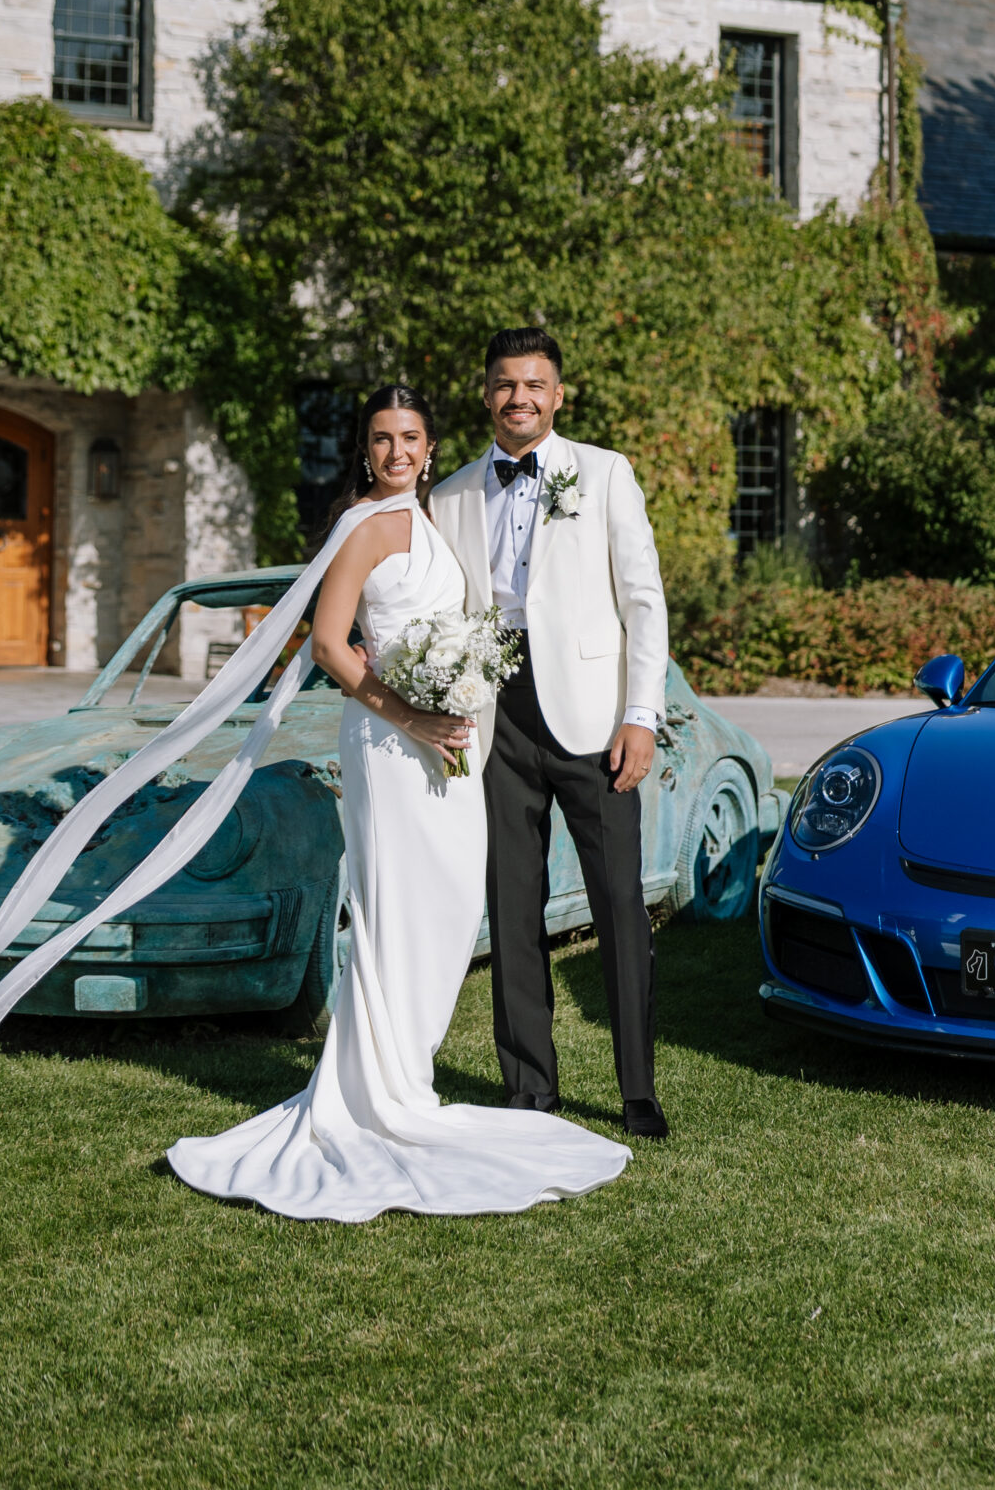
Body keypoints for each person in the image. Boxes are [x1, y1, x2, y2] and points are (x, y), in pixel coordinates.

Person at [164, 384, 631, 1218]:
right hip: (388, 746)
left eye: (410, 436)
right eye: (381, 439)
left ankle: (405, 1074)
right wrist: (412, 713)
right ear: (364, 449)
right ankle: (375, 1096)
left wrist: (457, 693)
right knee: (392, 913)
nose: (397, 452)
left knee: (446, 913)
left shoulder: (432, 516)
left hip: (445, 747)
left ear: (427, 442)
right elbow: (329, 642)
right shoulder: (365, 525)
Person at [430, 329, 671, 1142]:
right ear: (485, 393)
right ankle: (529, 1085)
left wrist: (640, 716)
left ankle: (636, 1089)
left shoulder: (604, 473)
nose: (519, 398)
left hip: (594, 722)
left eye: (534, 385)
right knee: (513, 906)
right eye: (505, 384)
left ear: (558, 395)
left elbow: (643, 601)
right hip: (496, 718)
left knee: (618, 909)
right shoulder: (453, 494)